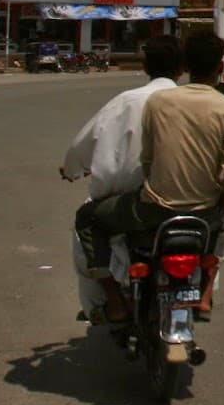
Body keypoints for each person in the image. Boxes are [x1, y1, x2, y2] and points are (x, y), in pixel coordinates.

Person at [75, 30, 224, 323]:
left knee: (87, 218)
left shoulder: (160, 102)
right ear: (221, 66)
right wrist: (217, 204)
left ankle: (114, 300)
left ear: (186, 66)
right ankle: (205, 292)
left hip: (152, 210)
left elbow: (147, 160)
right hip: (204, 214)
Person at [62, 35, 183, 317]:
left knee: (87, 219)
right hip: (191, 203)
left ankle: (112, 299)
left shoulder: (126, 102)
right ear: (182, 68)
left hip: (137, 205)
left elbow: (80, 147)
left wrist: (71, 170)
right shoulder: (194, 103)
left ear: (145, 67)